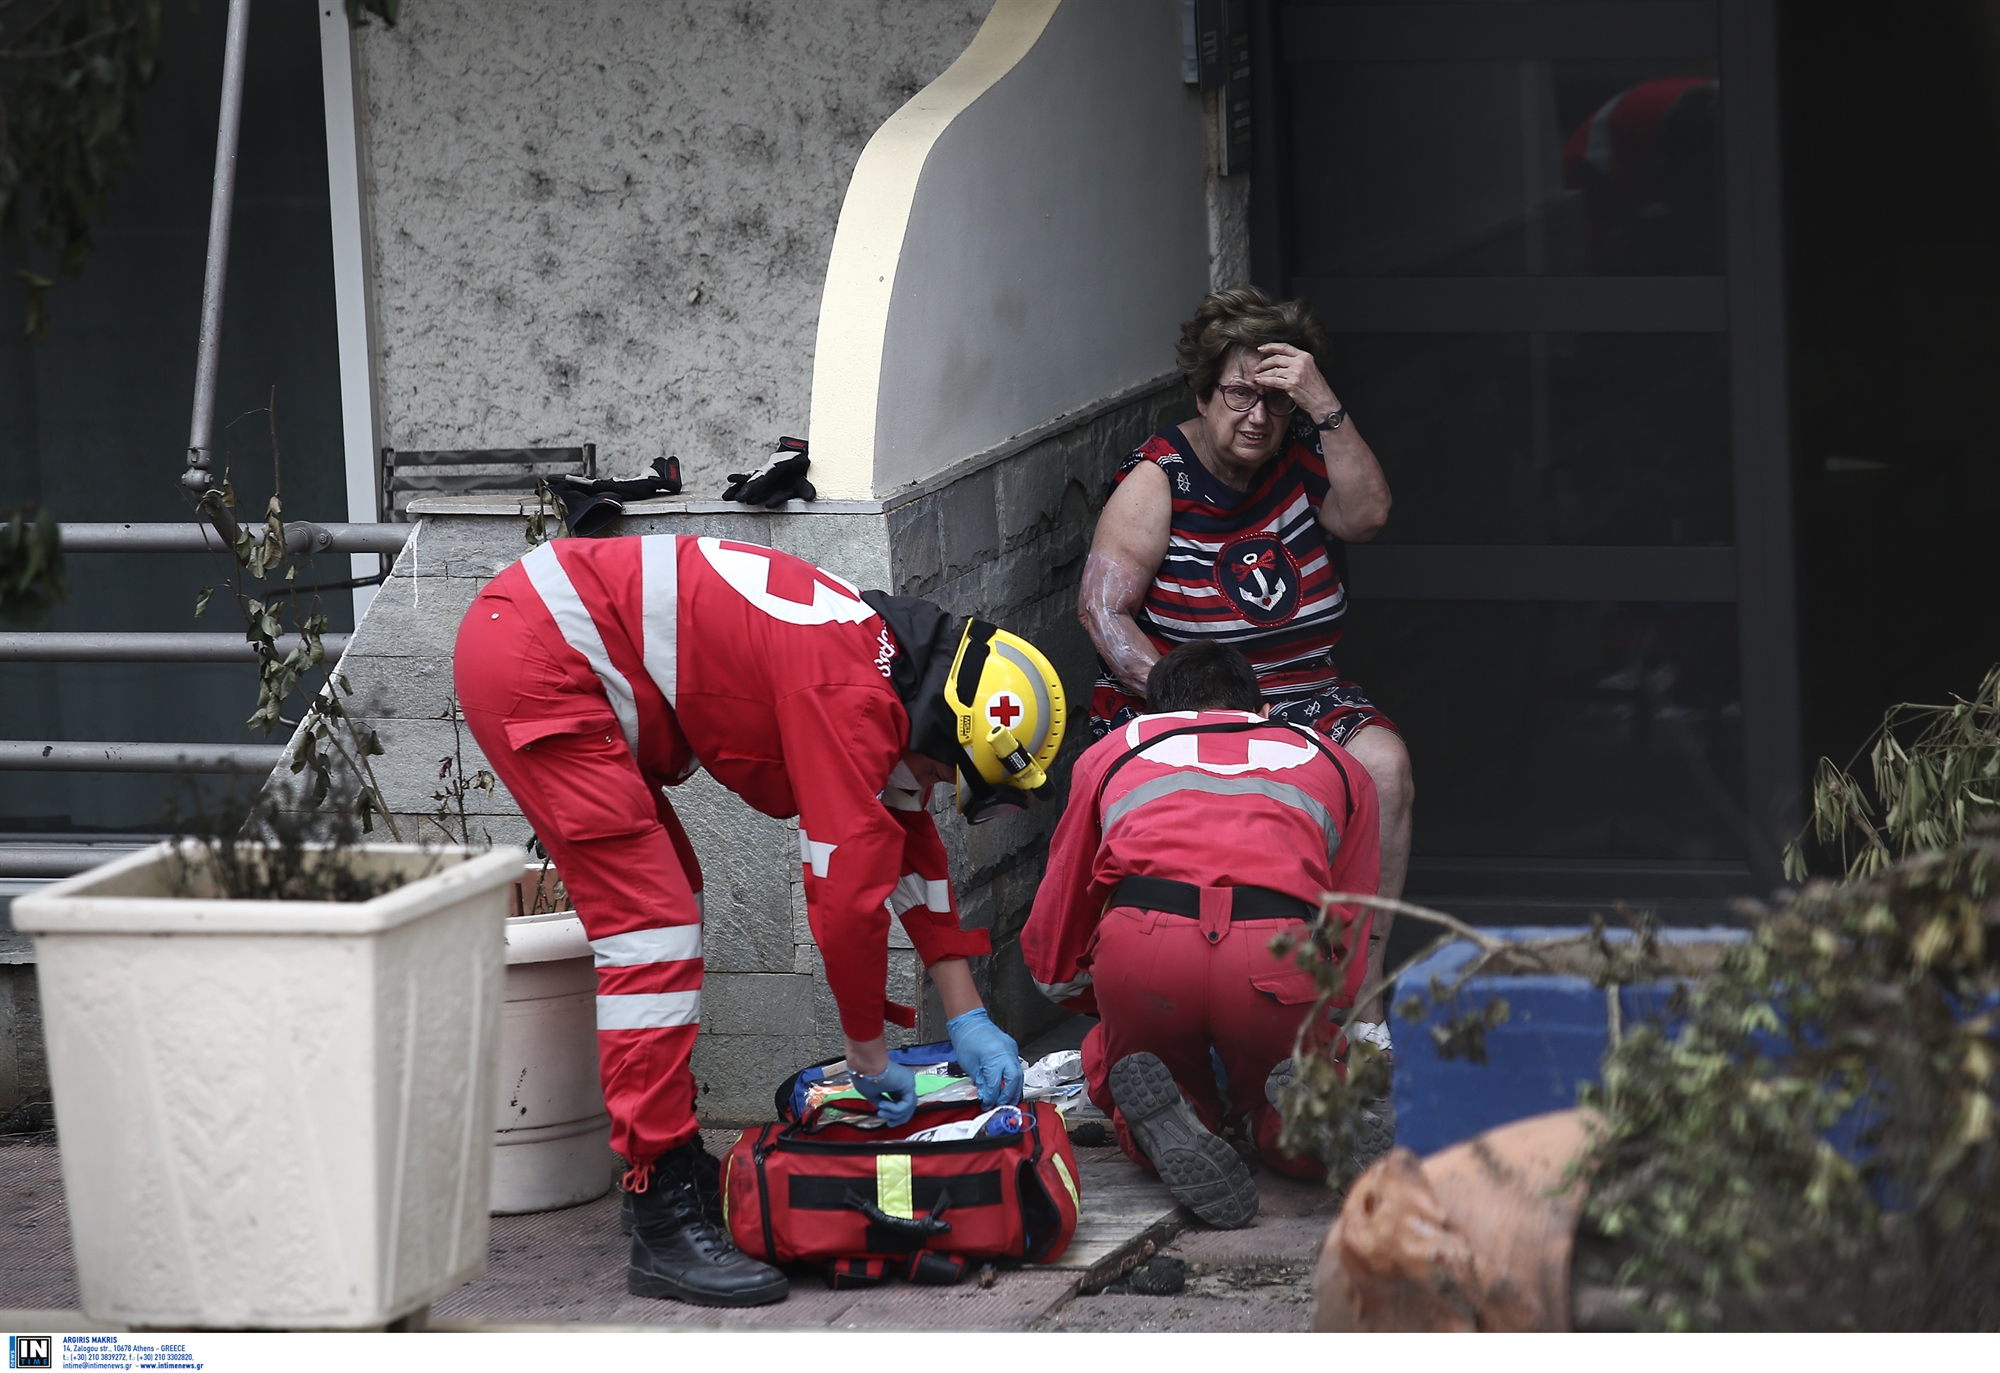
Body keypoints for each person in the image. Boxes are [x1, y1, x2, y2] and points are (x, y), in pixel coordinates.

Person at [453, 533, 1066, 1307]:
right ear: (950, 728)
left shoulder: (885, 667)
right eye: (948, 772)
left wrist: (967, 1011)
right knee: (652, 926)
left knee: (672, 899)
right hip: (540, 661)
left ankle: (668, 1159)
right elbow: (845, 900)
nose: (937, 787)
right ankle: (661, 1211)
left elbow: (906, 839)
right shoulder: (851, 701)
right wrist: (867, 1056)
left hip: (538, 638)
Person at [1078, 286, 1410, 1032]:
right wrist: (1197, 709)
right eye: (1238, 394)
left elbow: (1368, 515)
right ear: (1203, 392)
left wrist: (1321, 401)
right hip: (1183, 703)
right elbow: (1102, 612)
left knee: (1385, 766)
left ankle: (1360, 1001)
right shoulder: (1159, 477)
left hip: (1305, 693)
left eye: (1275, 400)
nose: (1257, 416)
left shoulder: (1298, 455)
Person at [1021, 642, 1380, 1227]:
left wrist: (1098, 1004)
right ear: (1258, 709)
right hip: (1276, 954)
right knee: (1285, 1078)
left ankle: (1167, 1126)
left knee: (1130, 1073)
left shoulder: (1114, 751)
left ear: (1153, 710)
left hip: (1146, 947)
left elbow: (1058, 927)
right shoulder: (1337, 763)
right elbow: (1352, 919)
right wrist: (1328, 1014)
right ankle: (1302, 1118)